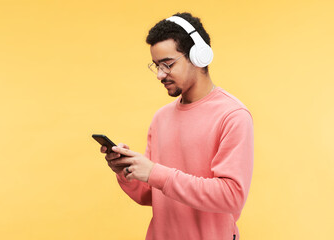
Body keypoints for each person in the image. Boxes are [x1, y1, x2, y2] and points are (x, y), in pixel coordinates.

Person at [100, 12, 254, 240]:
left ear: (198, 56)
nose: (160, 75)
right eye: (156, 66)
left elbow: (231, 196)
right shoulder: (161, 118)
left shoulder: (233, 115)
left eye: (168, 64)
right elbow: (150, 195)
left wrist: (155, 172)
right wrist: (126, 171)